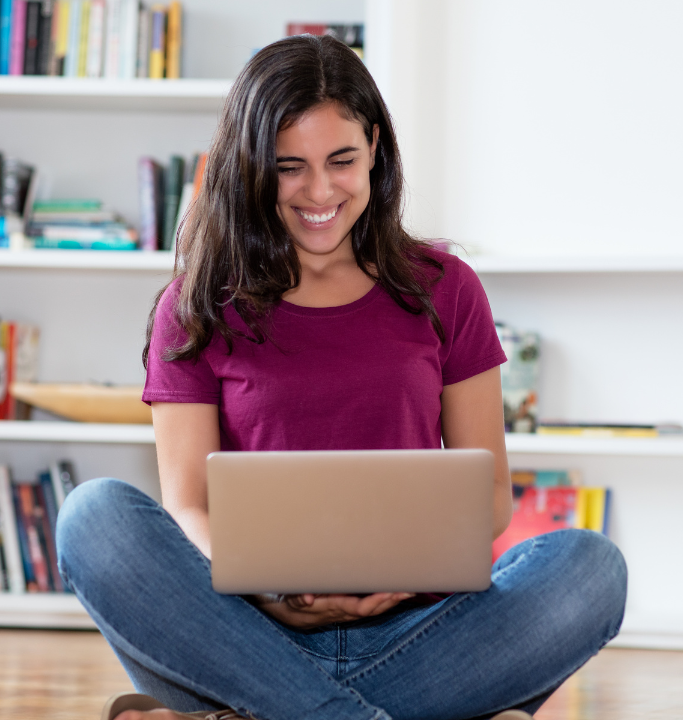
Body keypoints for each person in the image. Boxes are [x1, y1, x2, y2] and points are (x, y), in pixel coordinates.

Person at [56, 35, 627, 720]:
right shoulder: (195, 307)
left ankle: (259, 714)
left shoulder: (447, 289)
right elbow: (189, 508)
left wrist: (401, 576)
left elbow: (491, 496)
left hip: (424, 629)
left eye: (341, 160)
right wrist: (271, 590)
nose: (319, 191)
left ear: (376, 148)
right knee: (93, 518)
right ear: (249, 168)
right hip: (244, 632)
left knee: (590, 568)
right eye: (289, 167)